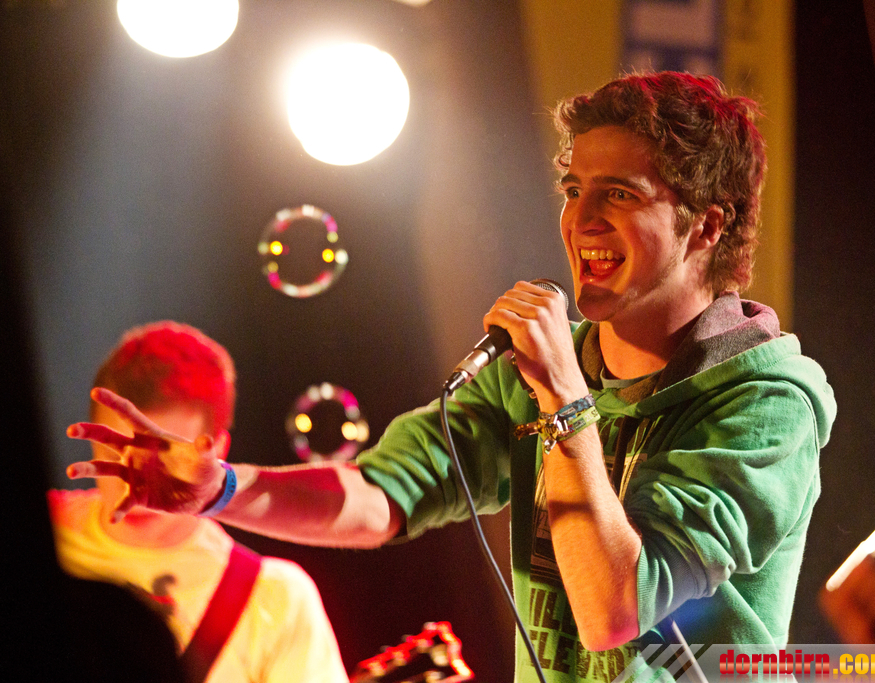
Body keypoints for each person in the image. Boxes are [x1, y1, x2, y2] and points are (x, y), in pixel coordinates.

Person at [67, 72, 836, 683]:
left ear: (707, 225)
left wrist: (566, 402)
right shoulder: (537, 371)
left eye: (620, 193)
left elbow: (614, 609)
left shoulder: (765, 403)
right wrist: (222, 488)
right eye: (575, 189)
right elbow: (379, 496)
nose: (581, 219)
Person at [52, 321, 348, 683]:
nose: (138, 486)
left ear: (217, 454)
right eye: (117, 451)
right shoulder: (28, 533)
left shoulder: (276, 598)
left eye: (166, 460)